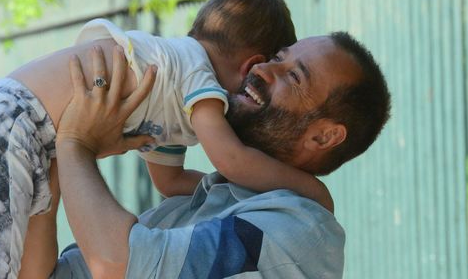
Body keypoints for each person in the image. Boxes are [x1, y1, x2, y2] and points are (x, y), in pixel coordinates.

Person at [0, 0, 331, 279]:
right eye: (273, 65)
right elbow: (230, 159)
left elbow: (171, 180)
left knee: (15, 267)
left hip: (1, 128)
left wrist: (72, 148)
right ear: (252, 66)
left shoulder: (171, 94)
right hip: (7, 127)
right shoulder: (197, 73)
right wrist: (308, 188)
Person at [49, 31, 391, 278]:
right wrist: (47, 147)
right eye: (277, 57)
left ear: (325, 135)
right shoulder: (199, 202)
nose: (261, 70)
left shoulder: (298, 232)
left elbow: (118, 266)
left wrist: (74, 143)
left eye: (293, 76)